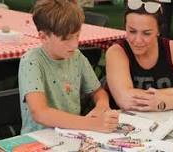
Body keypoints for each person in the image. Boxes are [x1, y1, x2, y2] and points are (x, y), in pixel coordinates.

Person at [18, 0, 119, 134]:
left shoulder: (77, 57)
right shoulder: (31, 61)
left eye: (77, 36)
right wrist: (91, 123)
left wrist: (102, 106)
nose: (74, 45)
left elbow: (98, 91)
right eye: (66, 39)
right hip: (38, 138)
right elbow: (40, 113)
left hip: (72, 134)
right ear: (43, 37)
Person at [106, 0, 173, 111]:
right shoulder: (117, 52)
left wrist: (165, 103)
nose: (138, 40)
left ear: (158, 31)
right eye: (132, 31)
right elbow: (126, 100)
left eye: (146, 33)